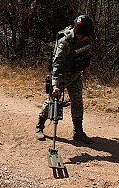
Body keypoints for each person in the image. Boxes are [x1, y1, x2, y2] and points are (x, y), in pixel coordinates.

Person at [34, 15, 95, 144]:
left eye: (86, 36)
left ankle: (78, 132)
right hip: (61, 75)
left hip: (75, 75)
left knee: (77, 102)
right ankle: (39, 126)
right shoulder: (65, 41)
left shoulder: (86, 36)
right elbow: (57, 64)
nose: (84, 38)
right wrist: (55, 84)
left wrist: (84, 67)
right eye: (82, 36)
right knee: (52, 101)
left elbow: (85, 53)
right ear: (75, 30)